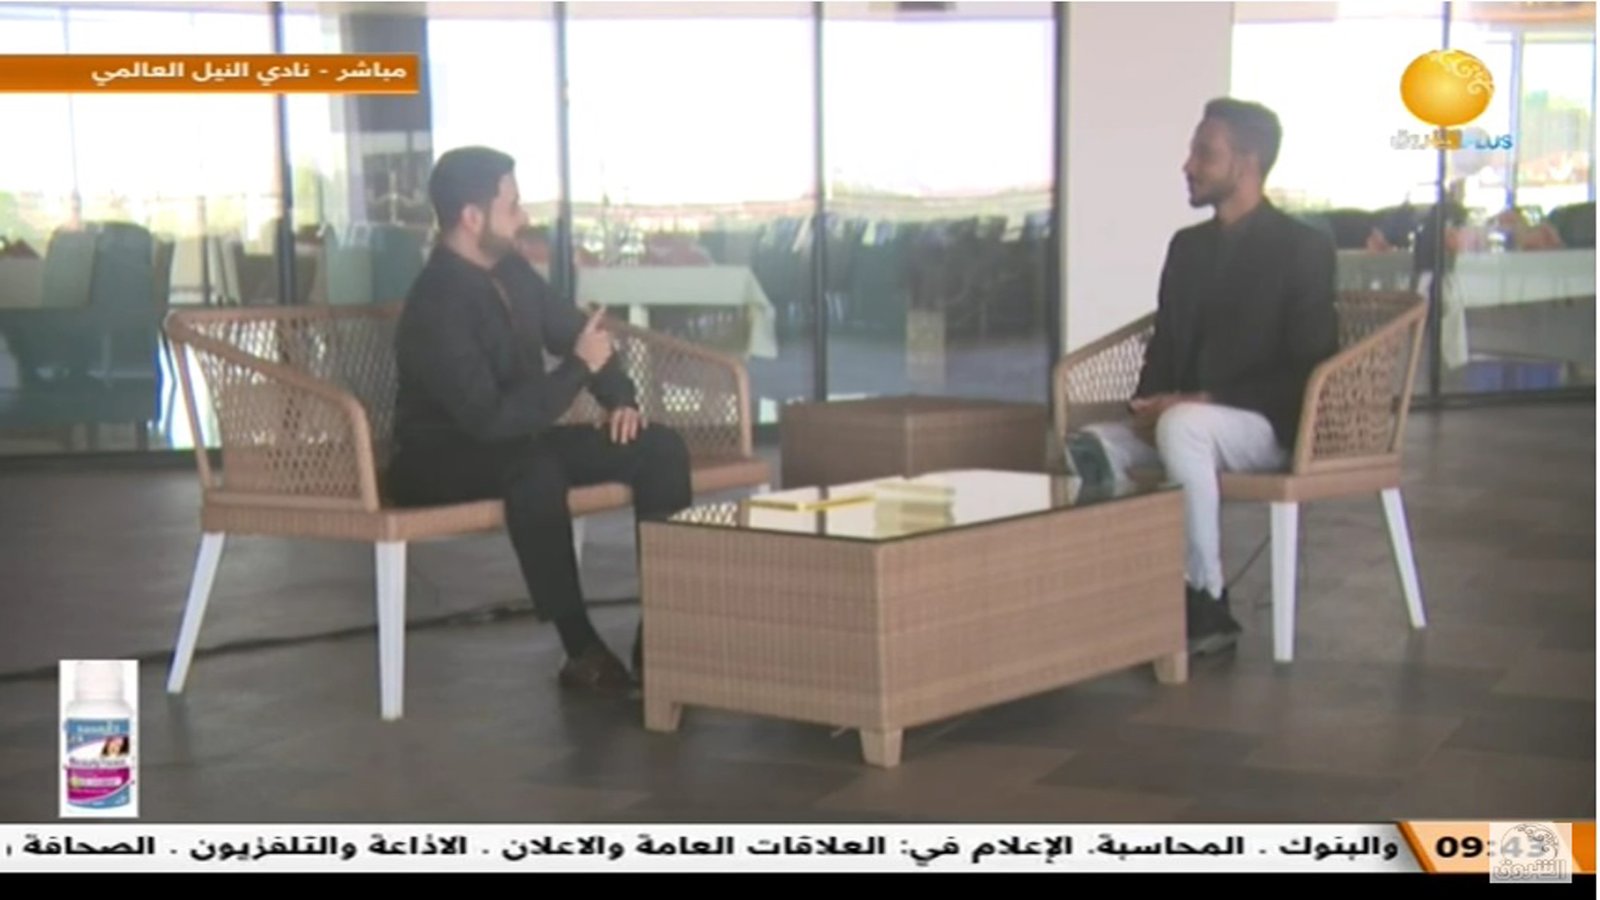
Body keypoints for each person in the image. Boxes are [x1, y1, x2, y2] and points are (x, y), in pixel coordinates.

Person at [387, 146, 692, 695]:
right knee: (535, 471)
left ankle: (664, 633)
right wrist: (578, 367)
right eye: (512, 206)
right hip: (439, 456)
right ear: (472, 217)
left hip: (518, 439)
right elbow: (490, 420)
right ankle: (581, 649)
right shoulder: (437, 303)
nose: (523, 217)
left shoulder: (510, 271)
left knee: (659, 448)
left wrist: (619, 399)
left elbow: (578, 333)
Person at [1064, 98, 1339, 655]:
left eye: (1203, 154)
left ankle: (1205, 600)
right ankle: (1131, 591)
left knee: (1184, 425)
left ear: (1247, 162)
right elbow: (1165, 343)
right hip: (1185, 423)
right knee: (1091, 445)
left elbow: (1310, 368)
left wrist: (1201, 400)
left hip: (1267, 426)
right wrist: (1145, 407)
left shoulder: (1302, 249)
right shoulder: (1187, 248)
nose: (1187, 165)